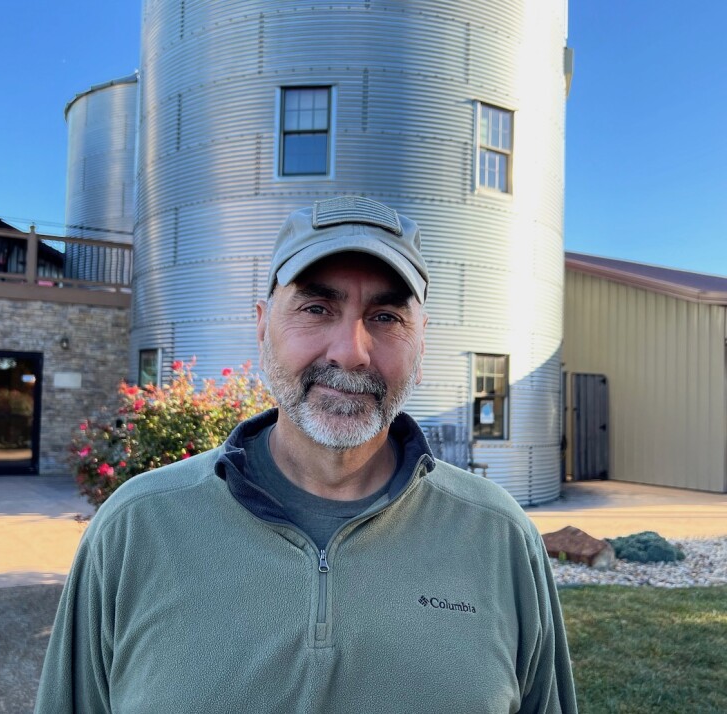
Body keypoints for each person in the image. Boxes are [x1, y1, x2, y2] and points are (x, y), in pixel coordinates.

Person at [35, 196, 577, 713]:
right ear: (262, 325)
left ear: (422, 341)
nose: (351, 351)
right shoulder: (136, 528)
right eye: (317, 308)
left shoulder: (498, 536)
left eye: (386, 318)